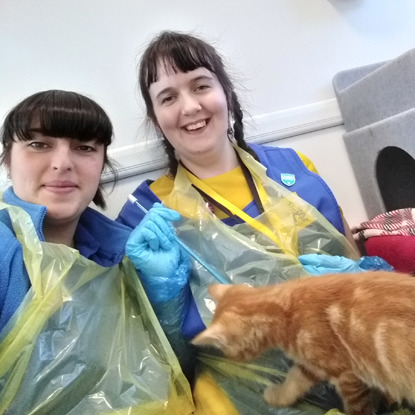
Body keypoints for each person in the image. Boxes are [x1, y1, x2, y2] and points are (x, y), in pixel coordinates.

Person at [118, 31, 395, 415]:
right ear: (156, 118)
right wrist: (166, 305)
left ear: (226, 93)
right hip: (245, 399)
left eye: (201, 85)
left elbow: (359, 263)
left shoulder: (296, 169)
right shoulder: (146, 213)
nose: (190, 106)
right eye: (168, 97)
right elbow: (158, 359)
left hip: (356, 375)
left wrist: (359, 273)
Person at [0, 90, 194, 414]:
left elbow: (170, 372)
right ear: (7, 158)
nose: (62, 163)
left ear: (102, 163)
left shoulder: (118, 253)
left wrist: (166, 302)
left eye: (84, 147)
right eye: (39, 144)